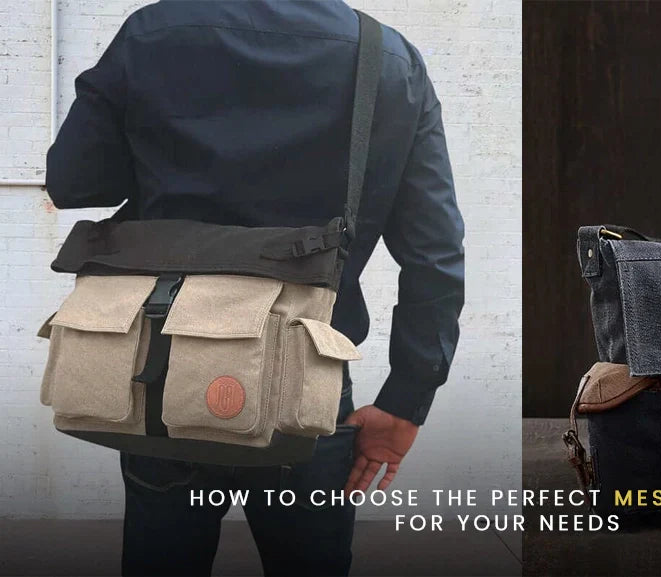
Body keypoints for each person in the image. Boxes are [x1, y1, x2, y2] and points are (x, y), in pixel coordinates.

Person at [45, 1, 464, 575]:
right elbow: (435, 253)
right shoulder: (387, 59)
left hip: (164, 372)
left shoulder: (154, 31)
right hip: (308, 387)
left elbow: (74, 181)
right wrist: (406, 402)